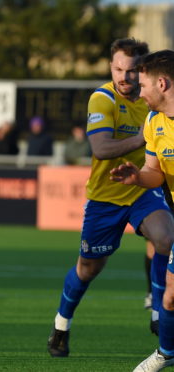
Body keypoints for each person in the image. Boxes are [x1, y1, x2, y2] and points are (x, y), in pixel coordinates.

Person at [47, 39, 174, 361]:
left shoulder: (153, 101)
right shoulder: (102, 99)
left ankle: (159, 311)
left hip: (143, 189)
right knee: (88, 268)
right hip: (106, 196)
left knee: (164, 237)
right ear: (111, 68)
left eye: (132, 71)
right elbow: (101, 149)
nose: (125, 77)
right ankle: (62, 325)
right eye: (118, 69)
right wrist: (143, 137)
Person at [110, 49, 174, 372]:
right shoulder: (153, 122)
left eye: (144, 85)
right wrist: (137, 178)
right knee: (170, 299)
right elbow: (155, 172)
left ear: (162, 83)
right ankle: (165, 353)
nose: (139, 91)